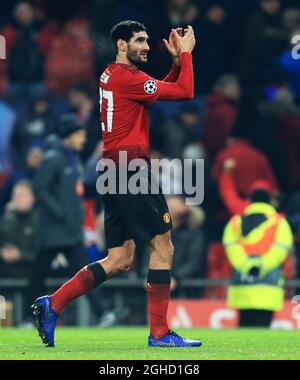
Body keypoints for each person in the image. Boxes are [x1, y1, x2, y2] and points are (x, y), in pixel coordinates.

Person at [32, 20, 201, 348]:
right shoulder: (128, 77)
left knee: (120, 259)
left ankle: (52, 303)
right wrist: (187, 56)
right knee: (163, 247)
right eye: (139, 40)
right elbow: (185, 92)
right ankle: (160, 334)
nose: (147, 46)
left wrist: (176, 64)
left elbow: (155, 92)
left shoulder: (113, 75)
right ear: (121, 45)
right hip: (131, 168)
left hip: (111, 168)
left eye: (147, 40)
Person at [26, 115, 103, 323]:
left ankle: (103, 313)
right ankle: (26, 317)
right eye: (80, 135)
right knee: (38, 275)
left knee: (85, 273)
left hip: (70, 231)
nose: (83, 139)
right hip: (53, 230)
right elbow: (40, 188)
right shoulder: (53, 158)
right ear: (69, 135)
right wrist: (60, 213)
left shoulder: (72, 157)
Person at [223, 187, 293, 327]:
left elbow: (231, 248)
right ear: (269, 202)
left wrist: (246, 265)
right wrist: (261, 265)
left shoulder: (235, 222)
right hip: (268, 287)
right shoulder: (279, 222)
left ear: (250, 202)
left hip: (242, 287)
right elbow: (280, 249)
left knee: (244, 328)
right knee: (263, 330)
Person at [0, 180, 37, 278]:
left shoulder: (40, 223)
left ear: (32, 198)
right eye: (15, 195)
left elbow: (43, 256)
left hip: (31, 278)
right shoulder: (6, 220)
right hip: (5, 277)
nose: (17, 198)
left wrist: (20, 255)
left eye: (22, 195)